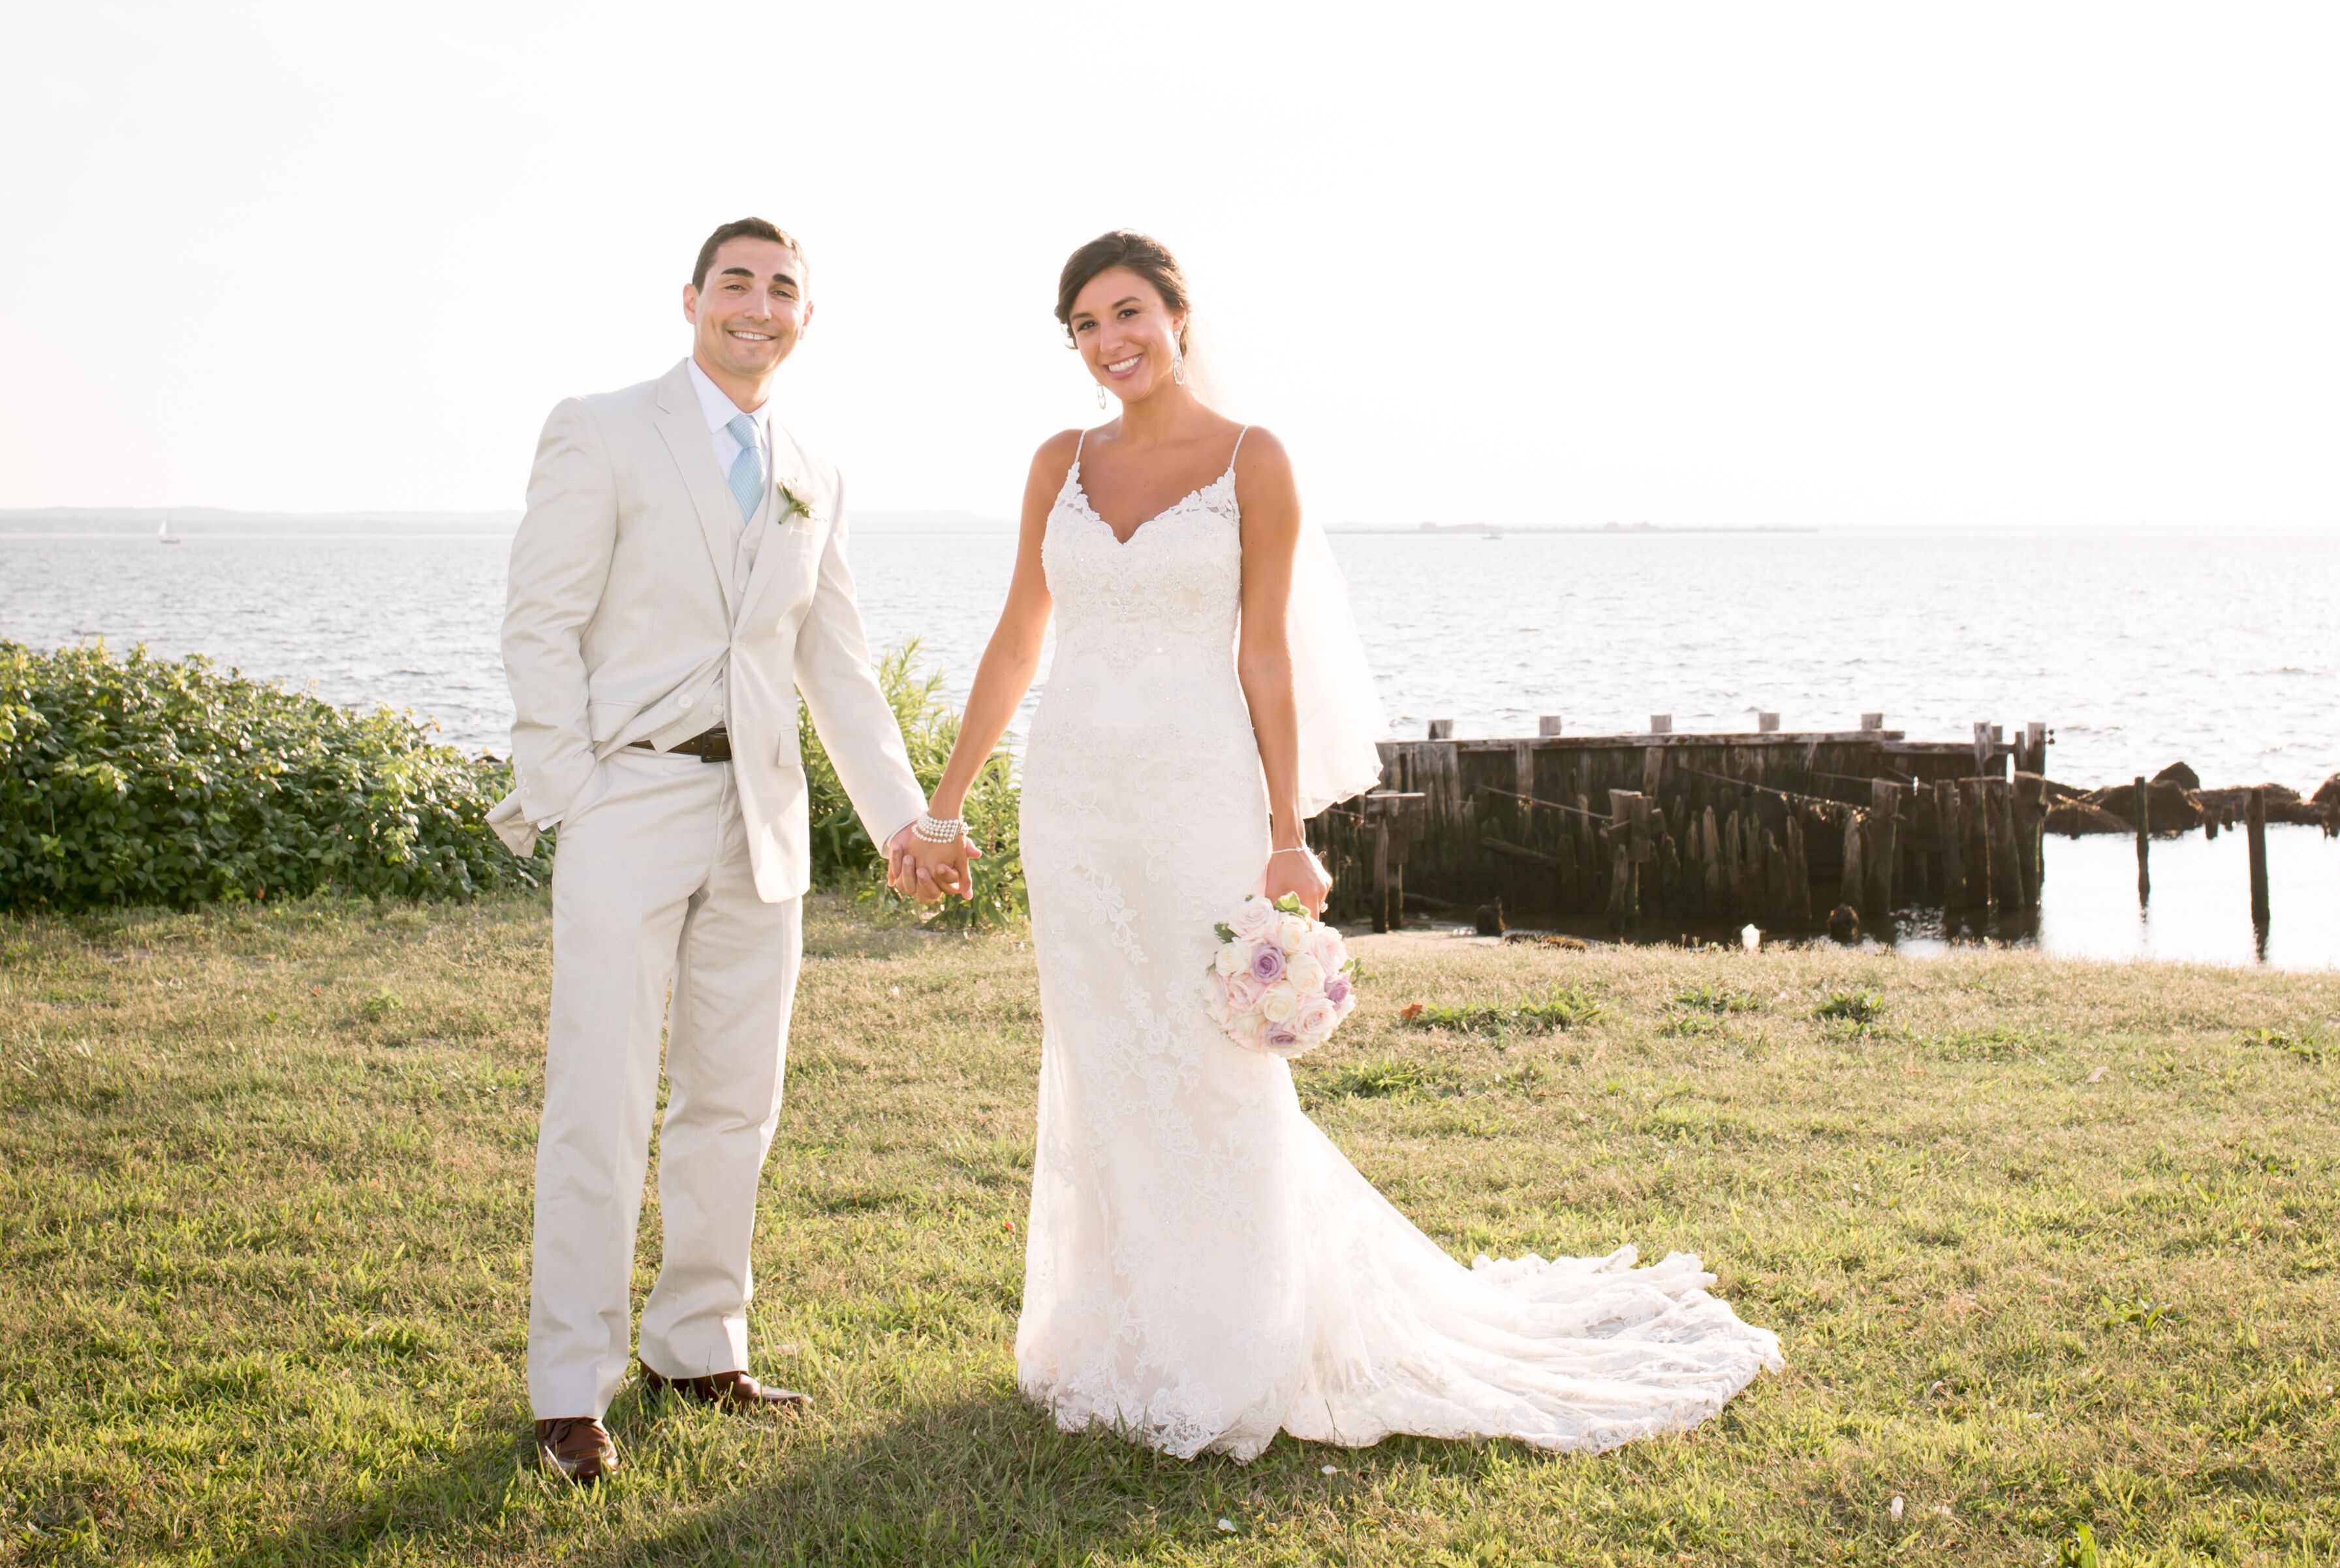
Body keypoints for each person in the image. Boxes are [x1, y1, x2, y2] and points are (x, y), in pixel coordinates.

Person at [909, 230, 1780, 1460]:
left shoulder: (1252, 460)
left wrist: (1286, 836)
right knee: (1103, 1055)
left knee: (1214, 1060)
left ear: (1179, 313)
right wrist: (944, 806)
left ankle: (1235, 1337)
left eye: (1129, 313)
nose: (1113, 343)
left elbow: (1264, 654)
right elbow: (1016, 641)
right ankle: (1115, 1331)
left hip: (1196, 791)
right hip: (1074, 803)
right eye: (1087, 327)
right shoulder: (1060, 461)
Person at [489, 218, 976, 1483]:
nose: (758, 307)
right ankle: (568, 1384)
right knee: (598, 1099)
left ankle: (698, 1346)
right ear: (693, 297)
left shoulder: (812, 464)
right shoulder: (599, 429)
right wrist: (571, 792)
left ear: (804, 318)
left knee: (733, 1101)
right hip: (626, 805)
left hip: (763, 823)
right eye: (738, 284)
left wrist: (903, 823)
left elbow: (837, 665)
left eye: (783, 291)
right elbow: (538, 621)